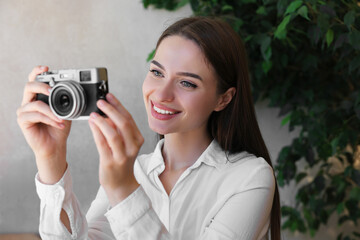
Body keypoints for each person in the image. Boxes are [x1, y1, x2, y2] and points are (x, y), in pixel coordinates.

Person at [17, 16, 281, 239]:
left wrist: (123, 190)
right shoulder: (132, 170)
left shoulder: (249, 177)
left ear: (224, 98)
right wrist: (50, 159)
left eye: (187, 83)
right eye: (157, 72)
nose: (161, 94)